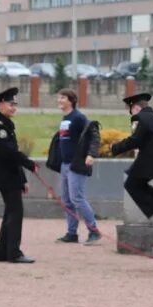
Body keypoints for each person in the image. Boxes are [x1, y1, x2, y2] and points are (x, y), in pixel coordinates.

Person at [0, 87, 39, 263]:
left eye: (15, 104)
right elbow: (9, 152)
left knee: (11, 212)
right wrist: (29, 163)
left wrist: (23, 179)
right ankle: (14, 253)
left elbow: (13, 154)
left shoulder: (6, 124)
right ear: (1, 104)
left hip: (11, 176)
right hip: (5, 176)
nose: (14, 107)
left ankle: (2, 252)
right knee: (15, 213)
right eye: (11, 104)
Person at [110, 92, 153, 226]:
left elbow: (135, 140)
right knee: (139, 185)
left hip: (150, 159)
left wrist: (115, 147)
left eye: (131, 110)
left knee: (131, 185)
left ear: (134, 107)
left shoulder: (139, 117)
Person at [48, 89, 102, 245]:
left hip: (76, 165)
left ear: (71, 100)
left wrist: (91, 154)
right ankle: (72, 234)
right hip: (65, 165)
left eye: (62, 97)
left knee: (77, 198)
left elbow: (94, 134)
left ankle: (94, 231)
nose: (59, 100)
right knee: (66, 200)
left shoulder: (78, 117)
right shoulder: (65, 118)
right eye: (59, 97)